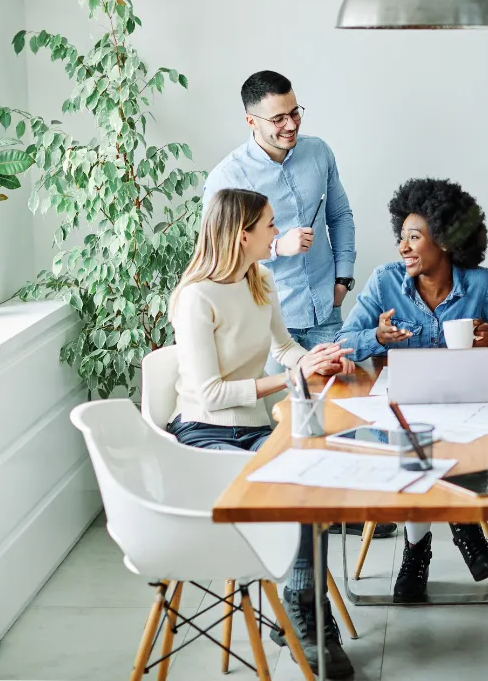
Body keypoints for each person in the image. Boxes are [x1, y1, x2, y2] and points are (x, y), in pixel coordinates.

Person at [168, 188, 357, 677]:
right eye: (270, 225)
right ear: (243, 234)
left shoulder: (263, 281)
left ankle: (301, 607)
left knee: (312, 475)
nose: (278, 232)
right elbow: (209, 395)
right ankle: (310, 618)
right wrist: (289, 377)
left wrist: (317, 359)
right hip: (202, 435)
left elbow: (287, 346)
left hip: (250, 428)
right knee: (297, 481)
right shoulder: (196, 297)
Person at [203, 70, 394, 541]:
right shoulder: (229, 177)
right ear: (251, 121)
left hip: (327, 308)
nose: (290, 125)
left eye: (295, 113)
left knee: (343, 408)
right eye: (277, 119)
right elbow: (217, 249)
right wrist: (276, 248)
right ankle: (300, 521)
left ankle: (339, 508)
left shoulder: (317, 152)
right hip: (270, 320)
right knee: (290, 425)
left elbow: (341, 215)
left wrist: (344, 279)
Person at [336, 178, 488, 603]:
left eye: (414, 237)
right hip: (404, 415)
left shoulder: (481, 284)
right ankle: (450, 534)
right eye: (401, 237)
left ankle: (422, 547)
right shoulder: (384, 283)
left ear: (446, 240)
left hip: (464, 410)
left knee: (445, 445)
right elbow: (345, 341)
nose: (403, 247)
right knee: (415, 444)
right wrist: (377, 337)